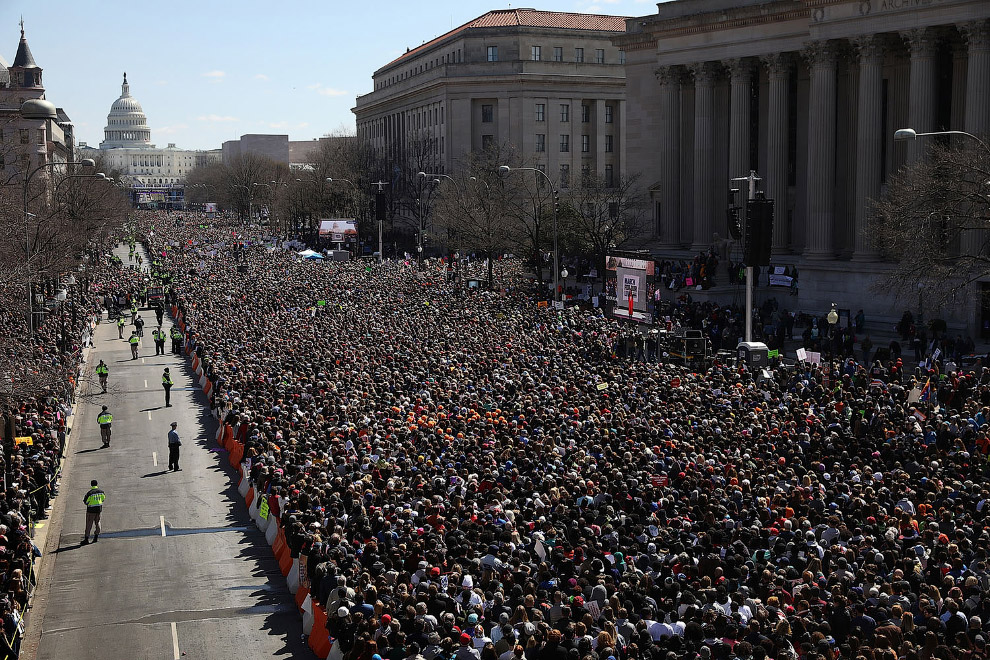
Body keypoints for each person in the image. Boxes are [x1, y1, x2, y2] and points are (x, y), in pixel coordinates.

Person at [82, 480, 105, 544]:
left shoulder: (90, 493)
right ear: (97, 484)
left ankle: (86, 539)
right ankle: (96, 536)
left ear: (91, 485)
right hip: (98, 510)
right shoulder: (101, 492)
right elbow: (103, 499)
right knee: (97, 522)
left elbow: (86, 501)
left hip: (91, 510)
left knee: (89, 524)